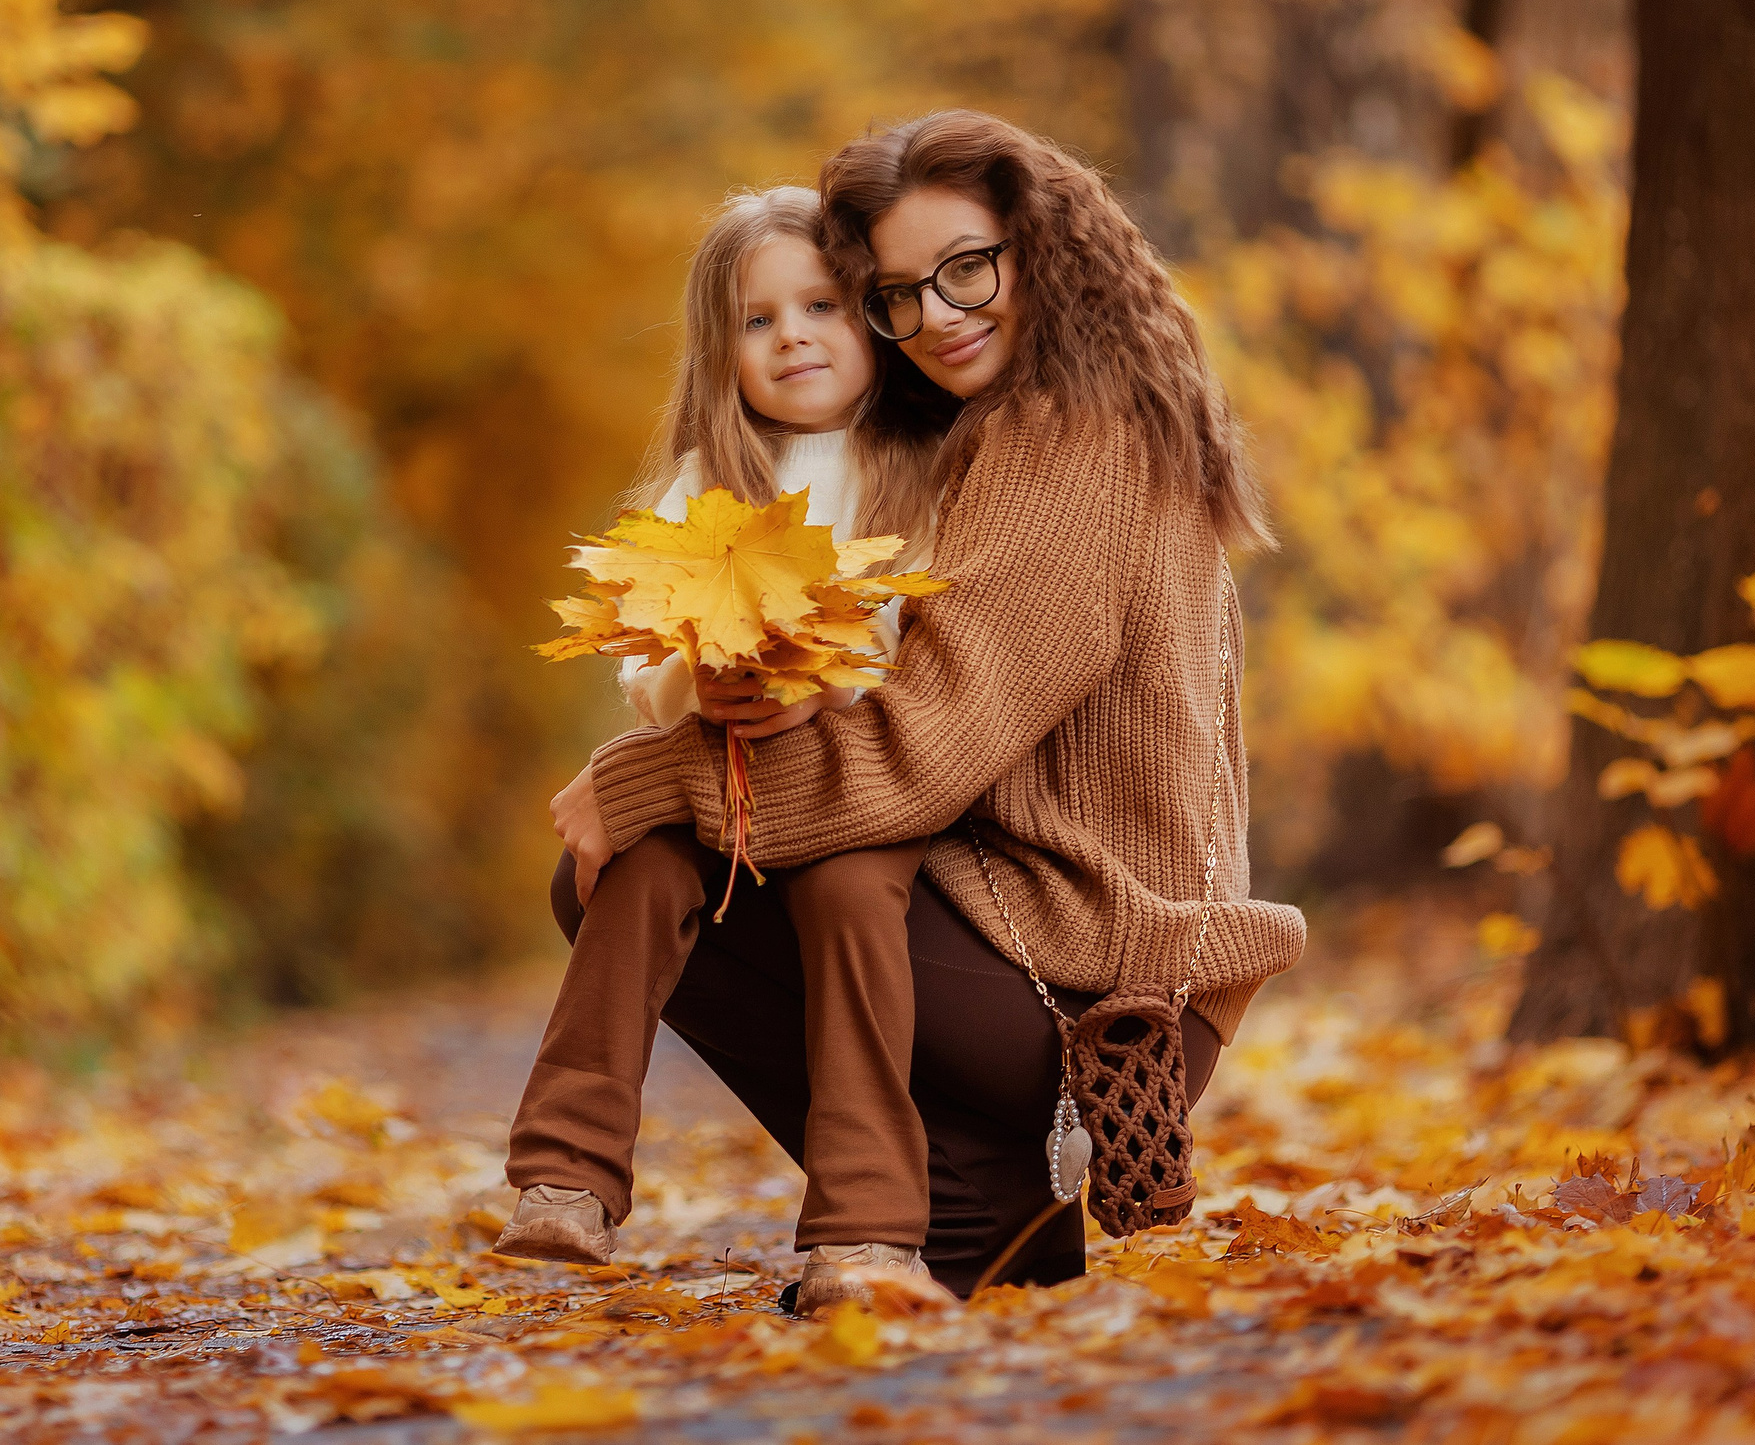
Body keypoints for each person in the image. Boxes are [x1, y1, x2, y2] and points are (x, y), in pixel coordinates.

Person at [544, 112, 1308, 1297]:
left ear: (1039, 243)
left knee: (642, 850)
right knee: (695, 864)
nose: (937, 316)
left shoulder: (1072, 442)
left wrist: (643, 779)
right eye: (897, 293)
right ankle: (975, 1202)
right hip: (1029, 933)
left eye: (967, 267)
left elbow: (915, 749)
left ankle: (942, 1193)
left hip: (1092, 983)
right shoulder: (1014, 424)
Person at [496, 186, 951, 1314]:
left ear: (876, 322)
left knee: (849, 902)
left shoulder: (925, 466)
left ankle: (867, 1230)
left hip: (861, 791)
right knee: (637, 871)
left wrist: (819, 676)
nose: (792, 333)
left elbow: (939, 651)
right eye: (758, 319)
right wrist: (691, 679)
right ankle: (567, 1173)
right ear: (721, 350)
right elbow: (645, 658)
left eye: (823, 305)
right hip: (729, 776)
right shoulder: (714, 483)